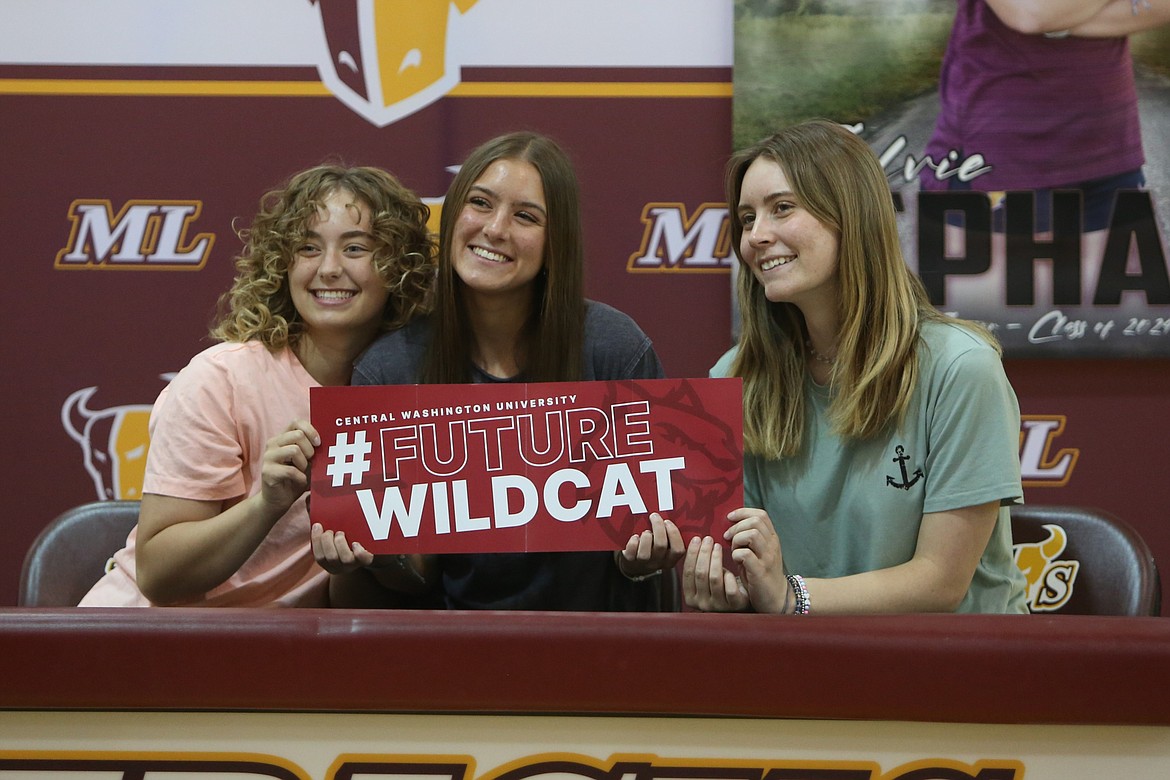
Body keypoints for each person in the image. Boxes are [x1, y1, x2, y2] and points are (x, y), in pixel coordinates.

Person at [314, 131, 684, 611]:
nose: (494, 229)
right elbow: (415, 577)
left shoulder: (616, 349)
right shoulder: (389, 370)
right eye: (480, 203)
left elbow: (651, 546)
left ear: (557, 242)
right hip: (451, 660)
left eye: (525, 216)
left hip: (601, 657)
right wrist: (378, 554)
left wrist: (645, 557)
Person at [684, 119, 1029, 615]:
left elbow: (939, 583)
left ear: (853, 216)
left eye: (782, 208)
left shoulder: (961, 368)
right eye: (745, 218)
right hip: (805, 669)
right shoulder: (733, 377)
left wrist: (789, 598)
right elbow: (743, 561)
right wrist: (727, 587)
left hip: (957, 672)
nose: (757, 236)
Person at [79, 164, 434, 607]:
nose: (329, 269)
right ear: (281, 264)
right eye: (307, 247)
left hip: (281, 656)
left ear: (399, 266)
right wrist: (267, 503)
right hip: (147, 642)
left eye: (356, 248)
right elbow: (158, 576)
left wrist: (372, 559)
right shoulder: (219, 380)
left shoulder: (415, 395)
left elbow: (376, 591)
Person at [921, 0, 1169, 238]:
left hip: (1112, 151)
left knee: (1112, 280)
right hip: (1003, 158)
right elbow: (1031, 11)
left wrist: (1058, 19)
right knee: (1019, 281)